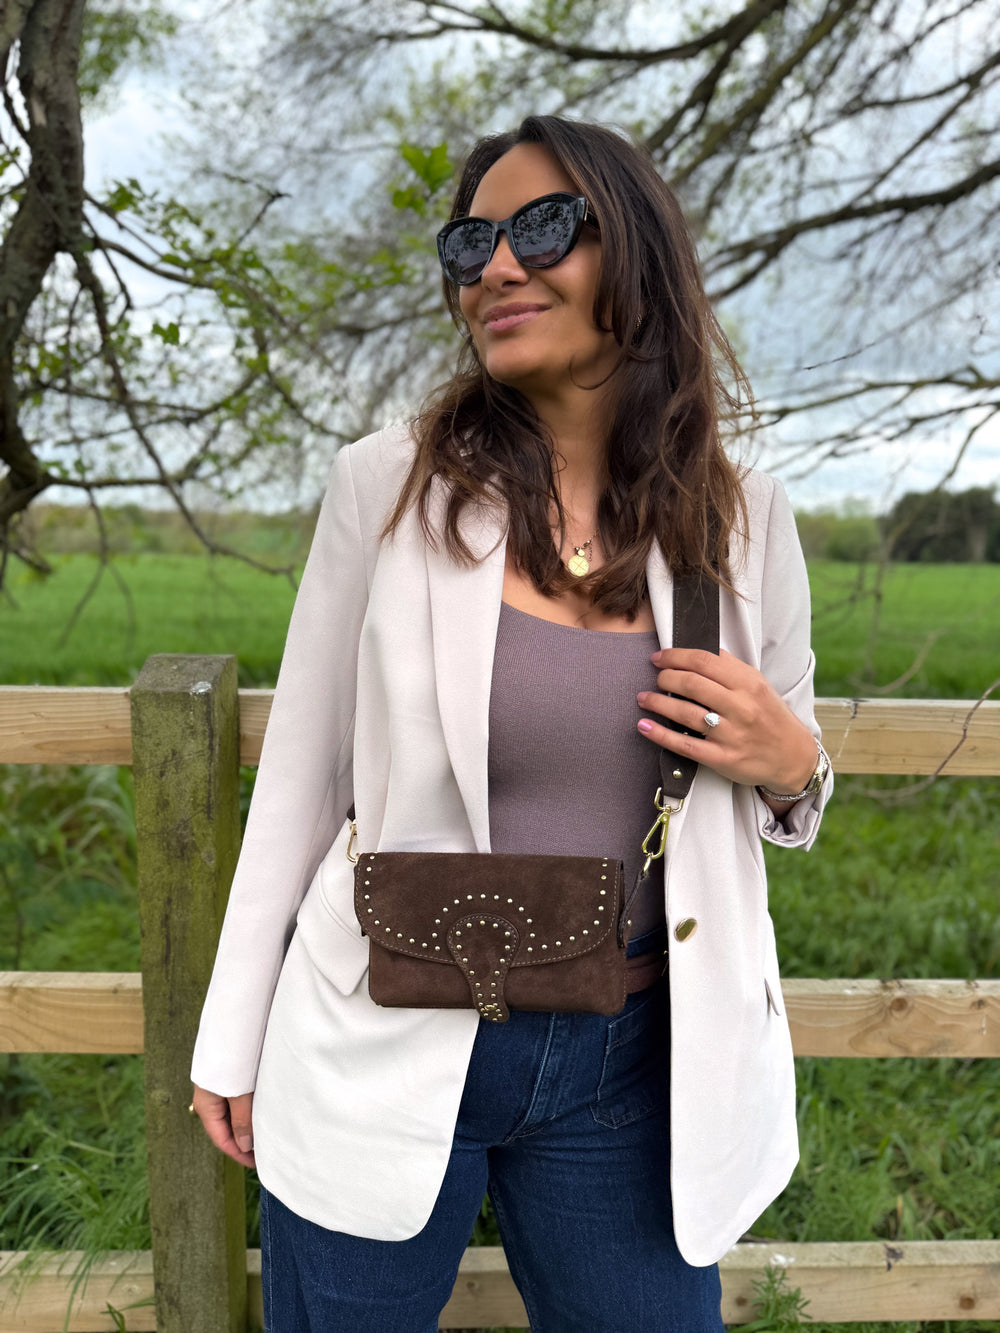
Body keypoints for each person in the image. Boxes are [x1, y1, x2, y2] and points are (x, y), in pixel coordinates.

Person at [191, 114, 832, 1332]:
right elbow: (303, 778)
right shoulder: (388, 486)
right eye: (469, 242)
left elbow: (784, 770)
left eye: (541, 229)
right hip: (379, 1027)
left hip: (635, 1063)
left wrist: (793, 762)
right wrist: (231, 1036)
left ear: (634, 251)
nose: (494, 266)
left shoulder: (739, 518)